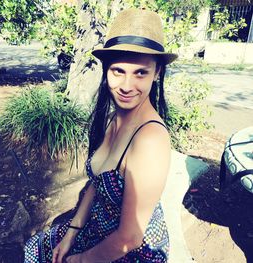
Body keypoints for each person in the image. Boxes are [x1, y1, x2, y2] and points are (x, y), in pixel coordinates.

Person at [24, 8, 178, 263]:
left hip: (129, 251)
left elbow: (129, 239)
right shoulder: (114, 119)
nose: (127, 86)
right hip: (98, 226)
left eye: (140, 72)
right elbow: (97, 183)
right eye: (118, 71)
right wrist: (71, 233)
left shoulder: (150, 140)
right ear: (106, 71)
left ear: (157, 72)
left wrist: (80, 260)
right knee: (37, 248)